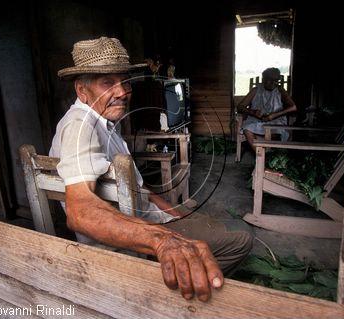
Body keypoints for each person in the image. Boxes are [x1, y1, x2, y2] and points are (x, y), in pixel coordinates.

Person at [50, 37, 252, 302]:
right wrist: (162, 241)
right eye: (107, 83)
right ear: (82, 90)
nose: (122, 92)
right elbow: (80, 213)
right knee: (242, 241)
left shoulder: (106, 123)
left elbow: (141, 189)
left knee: (203, 222)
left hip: (149, 219)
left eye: (124, 82)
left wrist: (175, 215)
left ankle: (173, 285)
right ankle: (163, 298)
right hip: (131, 240)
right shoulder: (80, 126)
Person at [237, 67, 297, 152]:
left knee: (275, 133)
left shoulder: (280, 90)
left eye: (276, 80)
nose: (273, 82)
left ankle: (266, 154)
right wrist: (253, 112)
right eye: (270, 79)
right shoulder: (256, 90)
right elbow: (240, 106)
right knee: (247, 129)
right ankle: (261, 156)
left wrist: (274, 115)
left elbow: (293, 107)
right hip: (257, 120)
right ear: (263, 79)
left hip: (276, 120)